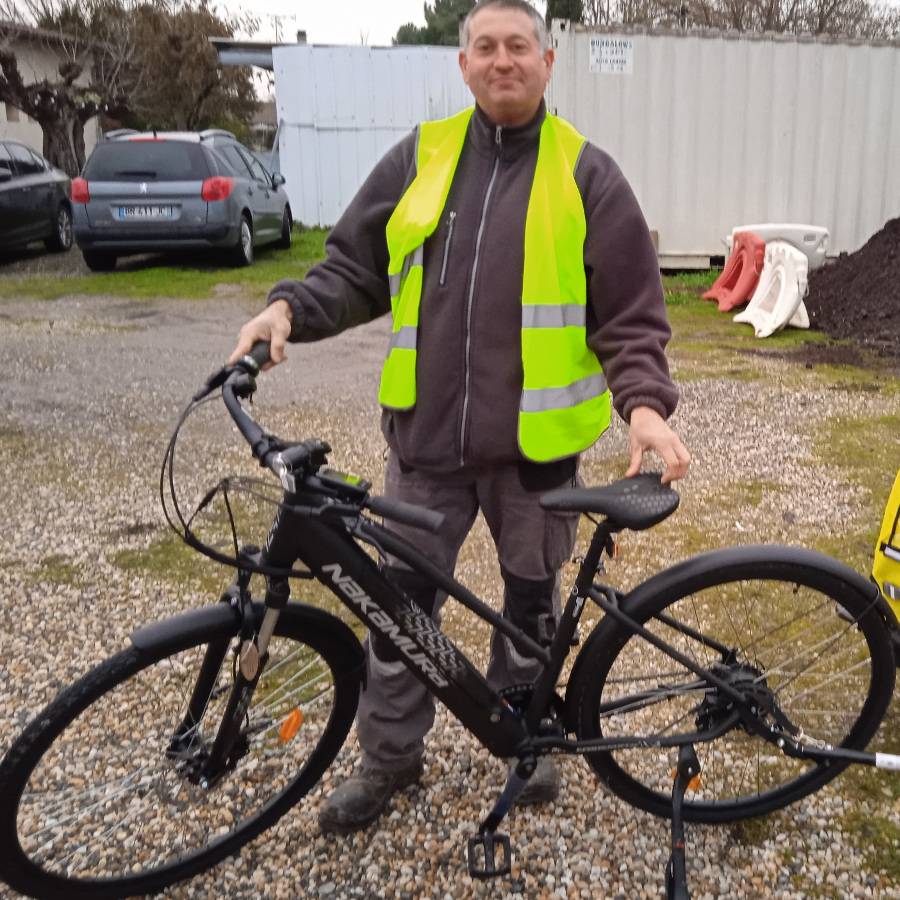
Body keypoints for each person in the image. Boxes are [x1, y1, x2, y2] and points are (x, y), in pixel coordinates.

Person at [228, 0, 690, 834]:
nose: (502, 60)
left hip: (534, 459)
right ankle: (388, 761)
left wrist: (647, 409)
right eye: (486, 46)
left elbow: (629, 315)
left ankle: (527, 741)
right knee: (397, 614)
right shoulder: (422, 157)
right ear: (463, 62)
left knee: (529, 610)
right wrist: (285, 312)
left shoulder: (588, 173)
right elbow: (352, 266)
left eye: (519, 46)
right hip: (427, 450)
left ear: (548, 62)